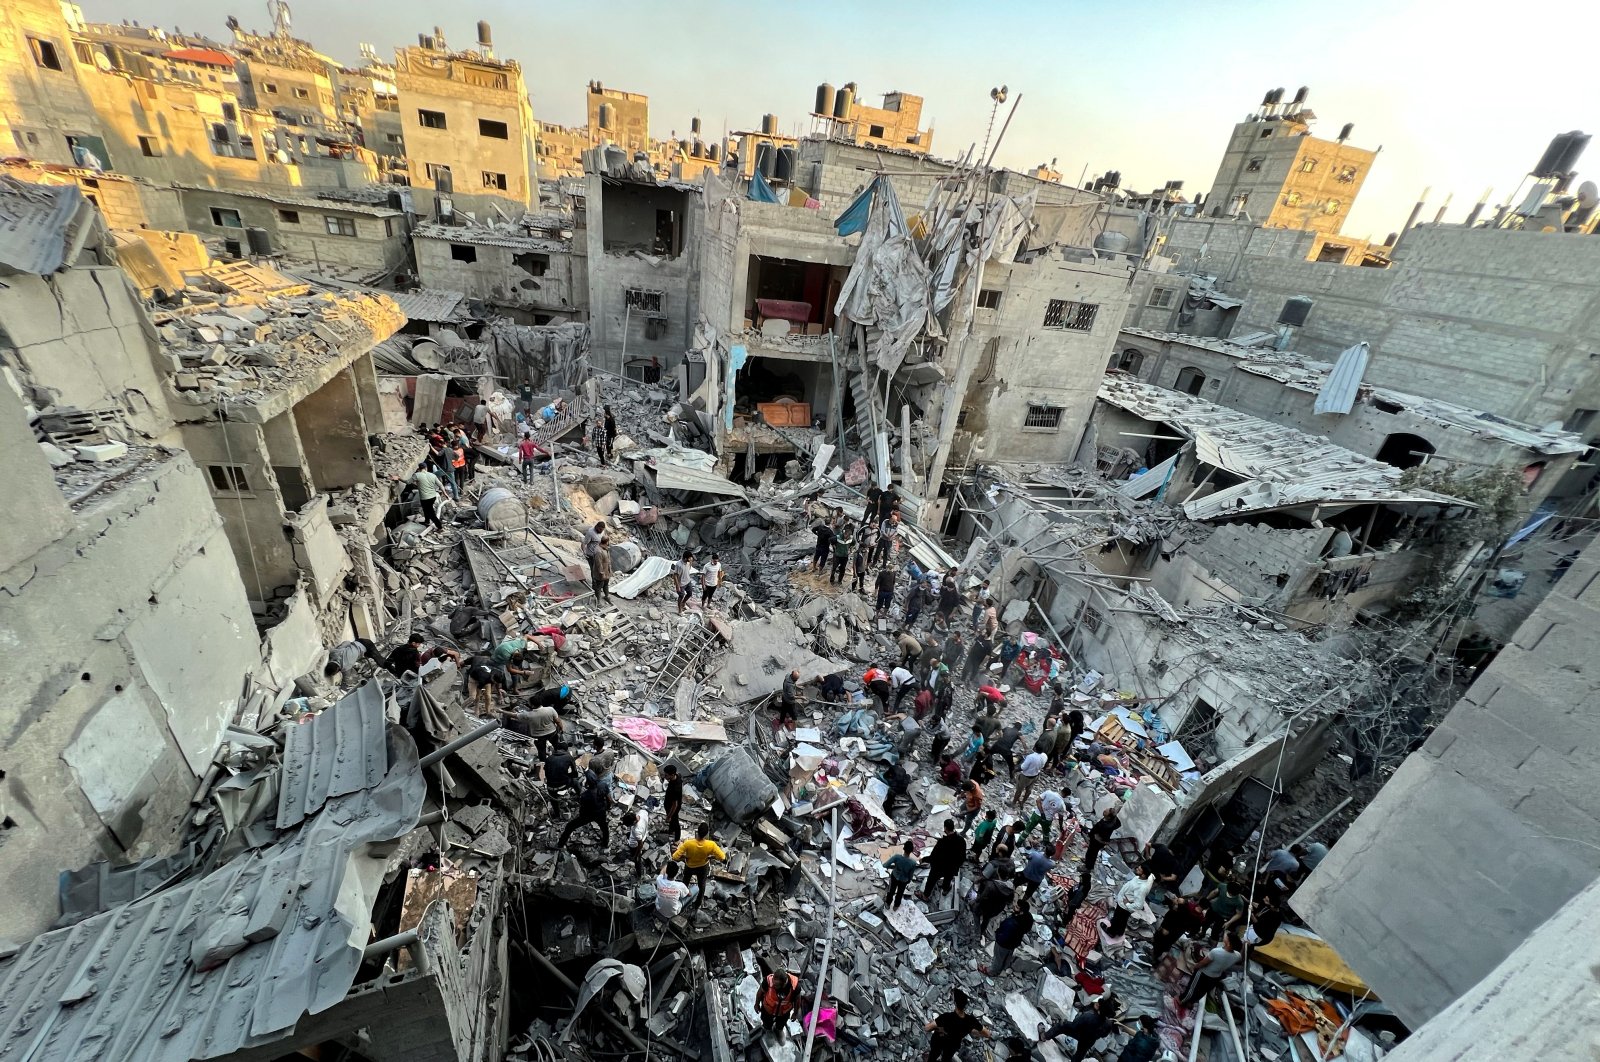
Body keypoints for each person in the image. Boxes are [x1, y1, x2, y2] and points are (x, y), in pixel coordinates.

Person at [1041, 995, 1121, 1062]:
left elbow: (1074, 1025)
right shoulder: (1108, 1024)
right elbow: (1104, 1035)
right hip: (1089, 1040)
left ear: (1100, 1008)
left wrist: (1064, 1022)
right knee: (1080, 1053)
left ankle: (1045, 1036)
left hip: (1078, 1033)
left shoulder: (1088, 1016)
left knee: (1061, 1026)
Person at [924, 989, 988, 1062]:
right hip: (952, 1046)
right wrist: (975, 1032)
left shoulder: (946, 1017)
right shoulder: (970, 1021)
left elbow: (927, 1028)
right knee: (946, 1059)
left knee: (933, 1055)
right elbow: (987, 1034)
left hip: (939, 1041)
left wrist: (936, 1027)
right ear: (965, 1005)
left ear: (955, 1003)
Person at [672, 823, 727, 906]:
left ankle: (682, 898)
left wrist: (685, 857)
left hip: (689, 866)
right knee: (702, 885)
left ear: (697, 831)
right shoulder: (711, 845)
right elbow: (723, 857)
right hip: (703, 867)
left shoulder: (688, 843)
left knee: (685, 882)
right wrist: (711, 857)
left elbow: (675, 857)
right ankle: (698, 902)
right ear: (706, 834)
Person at [1180, 934, 1241, 1007]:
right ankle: (1191, 1002)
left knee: (1192, 988)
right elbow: (1241, 958)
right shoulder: (1237, 955)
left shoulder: (1216, 952)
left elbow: (1204, 963)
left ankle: (1182, 1000)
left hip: (1203, 973)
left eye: (1226, 937)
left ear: (1228, 944)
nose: (1224, 936)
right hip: (1215, 977)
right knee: (1202, 991)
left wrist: (1195, 967)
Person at [556, 775, 611, 849]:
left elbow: (582, 809)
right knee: (604, 827)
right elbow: (608, 799)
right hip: (601, 812)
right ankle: (605, 843)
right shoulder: (603, 785)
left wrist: (581, 817)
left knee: (569, 826)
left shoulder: (586, 795)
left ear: (588, 783)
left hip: (588, 815)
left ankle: (560, 844)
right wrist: (607, 807)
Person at [981, 902, 1035, 975]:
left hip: (1003, 943)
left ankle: (992, 971)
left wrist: (998, 936)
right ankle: (1003, 968)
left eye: (1017, 907)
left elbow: (1003, 934)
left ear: (1021, 912)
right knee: (1007, 956)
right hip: (1014, 942)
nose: (1014, 907)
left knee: (998, 958)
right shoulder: (1028, 918)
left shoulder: (1012, 923)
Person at [920, 819, 967, 901]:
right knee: (948, 878)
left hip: (939, 867)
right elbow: (963, 857)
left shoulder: (942, 842)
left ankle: (925, 896)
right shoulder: (961, 841)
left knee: (931, 880)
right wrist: (956, 866)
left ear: (945, 828)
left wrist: (923, 859)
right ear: (953, 827)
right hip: (952, 867)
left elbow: (933, 857)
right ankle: (945, 890)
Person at [1150, 896, 1205, 960]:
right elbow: (1194, 930)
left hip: (1170, 926)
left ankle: (1154, 955)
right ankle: (1156, 956)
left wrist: (1165, 927)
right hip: (1178, 932)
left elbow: (1173, 914)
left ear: (1199, 902)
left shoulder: (1188, 907)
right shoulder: (1200, 918)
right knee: (1167, 943)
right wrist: (1190, 934)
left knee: (1160, 940)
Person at [1106, 863, 1153, 937]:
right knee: (1122, 920)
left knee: (1117, 919)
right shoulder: (1138, 878)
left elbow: (1139, 905)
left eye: (1140, 869)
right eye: (1139, 867)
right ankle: (1120, 931)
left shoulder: (1142, 888)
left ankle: (1111, 932)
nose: (1137, 868)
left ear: (1144, 875)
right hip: (1123, 902)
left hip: (1125, 906)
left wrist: (1128, 904)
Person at [396, 463, 445, 531]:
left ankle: (439, 527)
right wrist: (445, 494)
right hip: (433, 497)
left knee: (431, 513)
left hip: (425, 498)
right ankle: (427, 522)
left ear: (419, 469)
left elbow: (407, 482)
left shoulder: (416, 475)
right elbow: (440, 485)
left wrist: (399, 478)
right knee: (426, 509)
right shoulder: (432, 475)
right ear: (426, 468)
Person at [759, 968, 802, 1037]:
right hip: (768, 1009)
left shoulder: (795, 987)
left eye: (776, 986)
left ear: (784, 984)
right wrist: (757, 1004)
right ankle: (768, 1030)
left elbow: (797, 1000)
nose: (774, 986)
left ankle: (778, 1030)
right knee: (766, 1023)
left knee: (781, 1024)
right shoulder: (768, 981)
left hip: (783, 1012)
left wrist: (795, 1013)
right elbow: (760, 991)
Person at [884, 840, 919, 909]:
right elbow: (910, 875)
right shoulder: (913, 863)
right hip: (904, 880)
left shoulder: (897, 857)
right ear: (911, 851)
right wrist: (909, 880)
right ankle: (896, 906)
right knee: (900, 893)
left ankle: (888, 904)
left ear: (903, 848)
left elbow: (885, 865)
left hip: (895, 876)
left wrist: (894, 867)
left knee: (891, 891)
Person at [662, 764, 684, 841]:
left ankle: (677, 839)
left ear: (672, 775)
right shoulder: (677, 777)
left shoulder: (676, 788)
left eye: (666, 775)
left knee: (675, 822)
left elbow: (675, 805)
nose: (665, 777)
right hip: (669, 803)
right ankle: (671, 831)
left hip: (672, 808)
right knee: (672, 821)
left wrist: (669, 816)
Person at [583, 521, 607, 590]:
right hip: (591, 555)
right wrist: (584, 552)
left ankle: (599, 585)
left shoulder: (602, 531)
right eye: (599, 529)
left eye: (602, 530)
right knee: (594, 571)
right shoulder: (590, 532)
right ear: (596, 526)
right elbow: (584, 543)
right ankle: (594, 587)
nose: (600, 531)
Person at [625, 807, 649, 876]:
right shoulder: (642, 812)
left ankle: (639, 874)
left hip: (634, 844)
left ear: (634, 822)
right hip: (644, 835)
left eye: (630, 825)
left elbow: (640, 844)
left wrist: (636, 855)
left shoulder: (636, 830)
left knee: (637, 860)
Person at [593, 536, 614, 603]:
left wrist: (610, 570)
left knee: (606, 584)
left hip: (606, 571)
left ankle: (606, 596)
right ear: (607, 542)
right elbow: (598, 564)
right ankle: (598, 601)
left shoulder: (605, 549)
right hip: (600, 572)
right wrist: (601, 573)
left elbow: (608, 560)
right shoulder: (598, 551)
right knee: (599, 586)